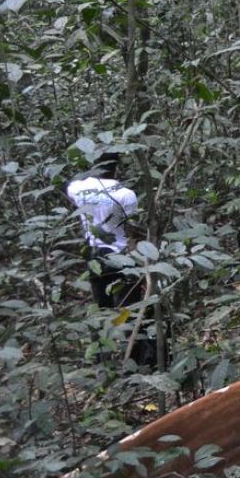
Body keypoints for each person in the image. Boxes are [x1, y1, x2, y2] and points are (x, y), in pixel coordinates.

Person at [66, 153, 160, 368]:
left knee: (102, 311)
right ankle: (136, 362)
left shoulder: (77, 188)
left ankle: (103, 364)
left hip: (94, 256)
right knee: (130, 310)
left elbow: (67, 186)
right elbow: (133, 230)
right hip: (122, 257)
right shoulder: (125, 194)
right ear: (116, 167)